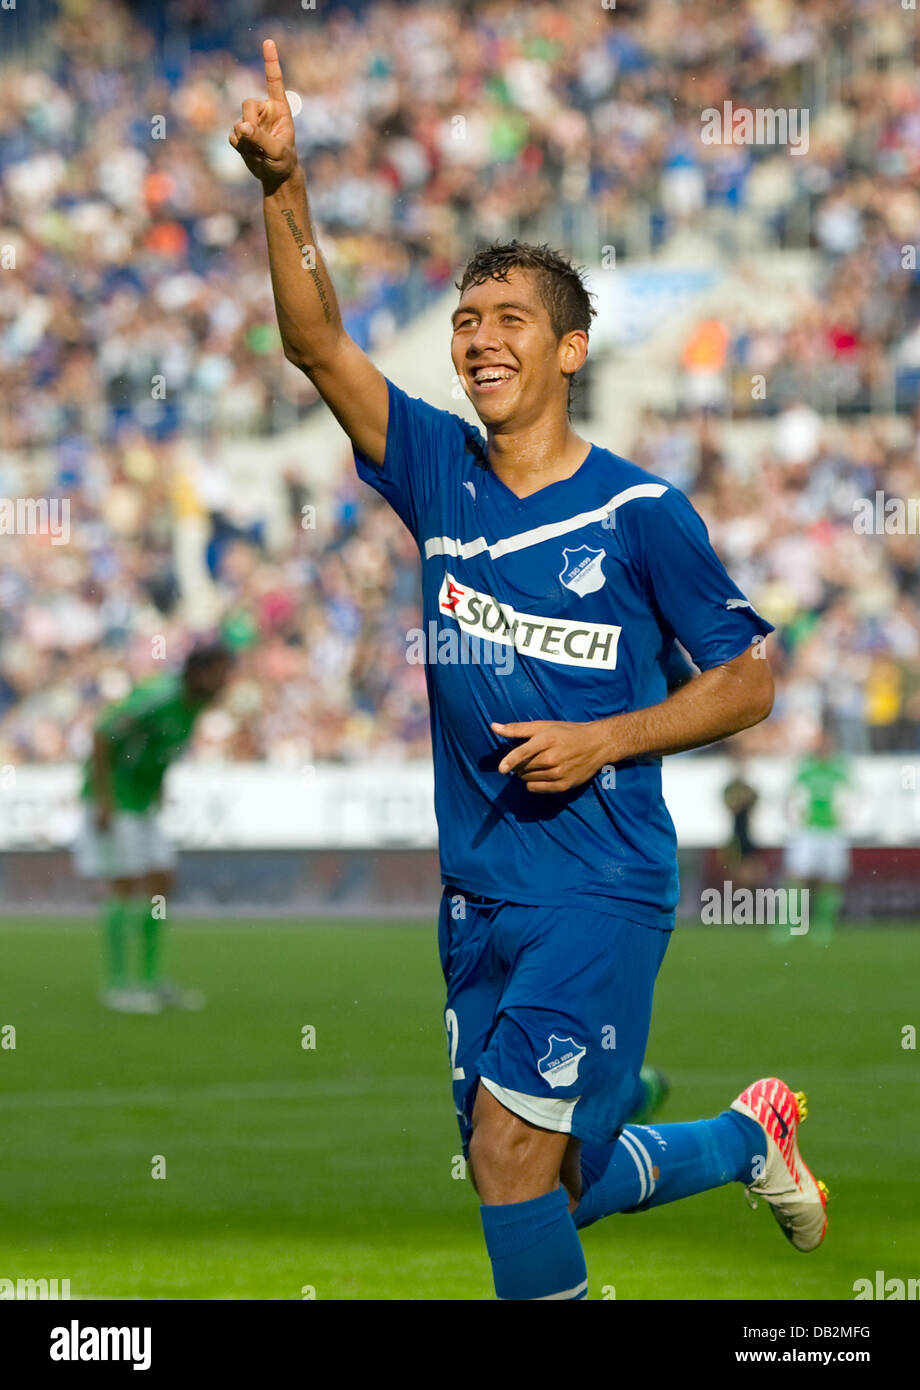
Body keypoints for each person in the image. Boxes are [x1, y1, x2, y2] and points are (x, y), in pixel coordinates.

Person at [230, 40, 828, 1300]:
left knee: (509, 1157)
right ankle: (740, 1138)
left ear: (568, 350)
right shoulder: (433, 466)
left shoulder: (639, 511)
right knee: (542, 1180)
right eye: (463, 320)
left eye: (509, 320)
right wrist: (283, 185)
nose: (477, 338)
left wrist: (605, 739)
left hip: (599, 885)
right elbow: (315, 343)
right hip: (477, 892)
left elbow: (750, 678)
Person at [74, 642, 233, 1012]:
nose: (226, 681)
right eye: (220, 672)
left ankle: (149, 978)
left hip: (143, 801)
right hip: (116, 798)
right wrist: (104, 800)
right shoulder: (161, 697)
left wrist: (159, 788)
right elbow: (103, 732)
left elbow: (154, 750)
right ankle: (117, 985)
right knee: (125, 883)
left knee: (161, 880)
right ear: (199, 673)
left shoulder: (194, 706)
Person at [783, 727, 853, 944]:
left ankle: (824, 924)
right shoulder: (806, 768)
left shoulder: (840, 769)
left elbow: (852, 795)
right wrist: (793, 816)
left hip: (832, 830)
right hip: (807, 830)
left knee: (831, 879)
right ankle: (789, 924)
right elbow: (791, 795)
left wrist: (847, 816)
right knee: (796, 875)